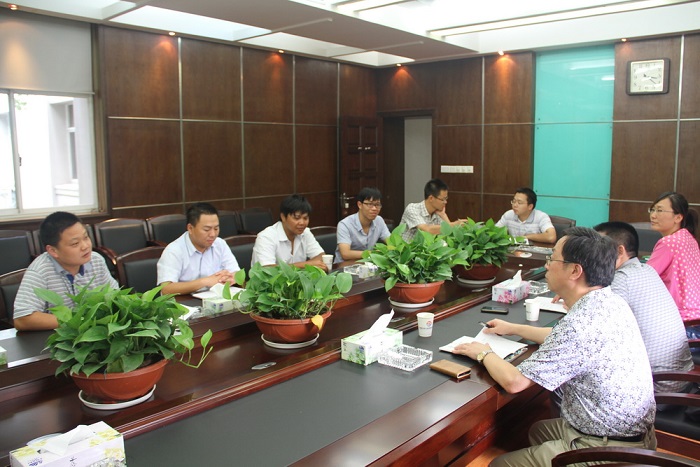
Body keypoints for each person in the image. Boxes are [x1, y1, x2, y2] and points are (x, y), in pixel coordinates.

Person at [453, 227, 656, 466]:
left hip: (608, 449)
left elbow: (515, 382)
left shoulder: (580, 325)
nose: (547, 265)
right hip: (632, 432)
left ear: (575, 271)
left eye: (552, 259)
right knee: (538, 430)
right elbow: (564, 339)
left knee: (498, 464)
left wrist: (483, 352)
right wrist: (513, 328)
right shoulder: (609, 300)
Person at [593, 221, 692, 393]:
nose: (591, 255)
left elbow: (597, 334)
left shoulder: (622, 280)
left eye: (597, 248)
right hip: (682, 378)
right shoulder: (647, 270)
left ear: (620, 251)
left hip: (657, 387)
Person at [13, 211, 119, 331]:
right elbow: (23, 319)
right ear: (53, 251)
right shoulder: (40, 271)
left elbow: (115, 296)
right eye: (75, 243)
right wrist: (79, 320)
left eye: (86, 237)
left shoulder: (96, 260)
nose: (85, 246)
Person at [157, 202, 240, 295]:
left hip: (216, 299)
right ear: (190, 228)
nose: (213, 234)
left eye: (216, 228)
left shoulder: (220, 244)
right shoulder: (174, 251)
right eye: (206, 229)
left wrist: (230, 278)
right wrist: (204, 282)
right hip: (186, 301)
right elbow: (166, 289)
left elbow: (236, 273)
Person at [647, 191, 700, 322]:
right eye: (652, 209)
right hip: (694, 315)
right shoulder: (688, 238)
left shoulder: (668, 243)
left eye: (660, 210)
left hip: (678, 318)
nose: (653, 215)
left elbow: (644, 278)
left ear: (678, 217)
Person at [251, 194, 327, 270]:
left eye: (305, 218)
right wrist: (306, 265)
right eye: (297, 218)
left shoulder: (305, 232)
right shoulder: (266, 237)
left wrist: (307, 265)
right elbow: (267, 269)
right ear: (283, 217)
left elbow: (321, 256)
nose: (302, 223)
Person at [334, 187, 391, 263]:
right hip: (344, 266)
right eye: (370, 204)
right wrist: (373, 253)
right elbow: (345, 254)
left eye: (377, 205)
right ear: (360, 205)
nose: (374, 208)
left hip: (367, 265)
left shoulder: (379, 220)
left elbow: (392, 243)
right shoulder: (345, 224)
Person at [399, 178, 465, 242]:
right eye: (443, 199)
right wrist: (455, 224)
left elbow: (448, 234)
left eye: (446, 199)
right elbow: (427, 230)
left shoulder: (438, 213)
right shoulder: (412, 209)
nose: (445, 202)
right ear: (431, 198)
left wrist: (444, 215)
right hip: (405, 248)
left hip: (426, 249)